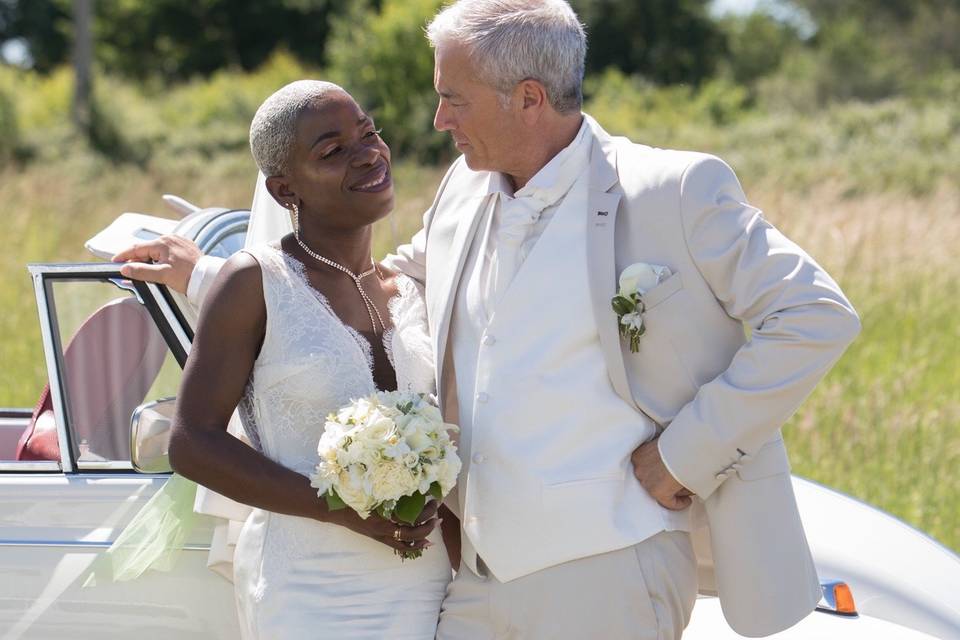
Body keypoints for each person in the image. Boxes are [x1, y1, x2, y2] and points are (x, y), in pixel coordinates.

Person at [117, 2, 861, 638]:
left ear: (528, 98)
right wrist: (212, 276)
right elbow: (366, 286)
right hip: (466, 581)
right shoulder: (464, 191)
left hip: (609, 568)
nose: (438, 120)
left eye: (454, 98)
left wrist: (687, 454)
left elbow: (816, 315)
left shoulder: (674, 189)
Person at [151, 80, 453, 639]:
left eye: (368, 132)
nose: (368, 153)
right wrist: (342, 509)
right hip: (313, 589)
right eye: (332, 150)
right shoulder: (254, 282)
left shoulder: (407, 291)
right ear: (285, 188)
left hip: (425, 583)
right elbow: (192, 442)